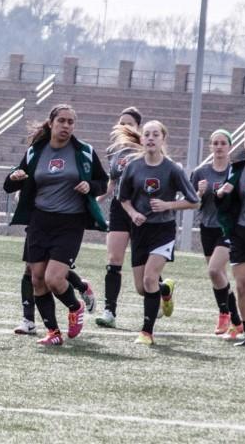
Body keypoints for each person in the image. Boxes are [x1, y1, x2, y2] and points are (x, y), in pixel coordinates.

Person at [4, 104, 108, 346]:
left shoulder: (84, 152)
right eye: (62, 120)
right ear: (51, 123)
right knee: (37, 278)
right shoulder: (35, 151)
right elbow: (9, 185)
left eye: (71, 122)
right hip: (39, 221)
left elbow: (102, 182)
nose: (66, 126)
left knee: (54, 279)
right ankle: (53, 332)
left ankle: (75, 306)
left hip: (70, 223)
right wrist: (14, 177)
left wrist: (89, 187)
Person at [118, 120, 199, 345]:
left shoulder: (172, 169)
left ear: (163, 139)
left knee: (149, 278)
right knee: (142, 288)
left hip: (163, 230)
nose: (151, 138)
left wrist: (168, 205)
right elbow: (123, 199)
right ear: (142, 139)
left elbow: (194, 201)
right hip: (140, 230)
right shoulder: (133, 167)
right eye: (147, 135)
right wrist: (133, 213)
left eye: (156, 134)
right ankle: (166, 289)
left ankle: (146, 332)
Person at [190, 129, 243, 338]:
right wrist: (199, 193)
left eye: (223, 143)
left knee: (214, 270)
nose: (219, 147)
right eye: (216, 143)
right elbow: (193, 203)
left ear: (230, 147)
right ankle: (237, 322)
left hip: (228, 229)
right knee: (218, 276)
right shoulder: (200, 173)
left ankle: (224, 313)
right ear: (210, 146)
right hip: (207, 227)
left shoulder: (236, 171)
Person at [95, 107, 144, 328]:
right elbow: (112, 182)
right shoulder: (113, 150)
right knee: (114, 259)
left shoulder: (145, 148)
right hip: (118, 208)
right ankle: (109, 312)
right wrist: (98, 198)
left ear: (138, 127)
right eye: (121, 123)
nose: (124, 127)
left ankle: (163, 291)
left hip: (141, 210)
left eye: (129, 124)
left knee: (143, 266)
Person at [215, 125, 245, 347]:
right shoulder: (237, 168)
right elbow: (224, 198)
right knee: (241, 287)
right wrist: (220, 193)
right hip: (240, 234)